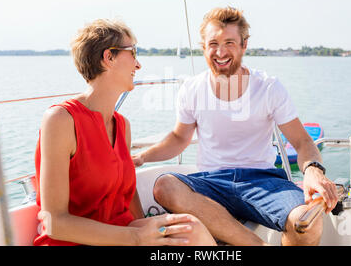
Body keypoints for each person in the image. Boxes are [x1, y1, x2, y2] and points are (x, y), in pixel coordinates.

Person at [132, 7, 339, 246]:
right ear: (203, 47)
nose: (220, 52)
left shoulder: (268, 88)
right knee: (165, 186)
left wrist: (313, 170)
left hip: (263, 181)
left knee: (307, 222)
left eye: (229, 42)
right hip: (211, 183)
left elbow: (302, 141)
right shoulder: (192, 89)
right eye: (213, 43)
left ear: (244, 45)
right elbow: (179, 138)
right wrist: (142, 157)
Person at [33, 18, 216, 246]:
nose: (138, 65)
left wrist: (145, 233)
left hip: (123, 235)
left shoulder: (122, 125)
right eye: (133, 53)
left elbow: (128, 198)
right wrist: (136, 237)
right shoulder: (61, 120)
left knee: (190, 228)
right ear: (109, 57)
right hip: (78, 241)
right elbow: (54, 223)